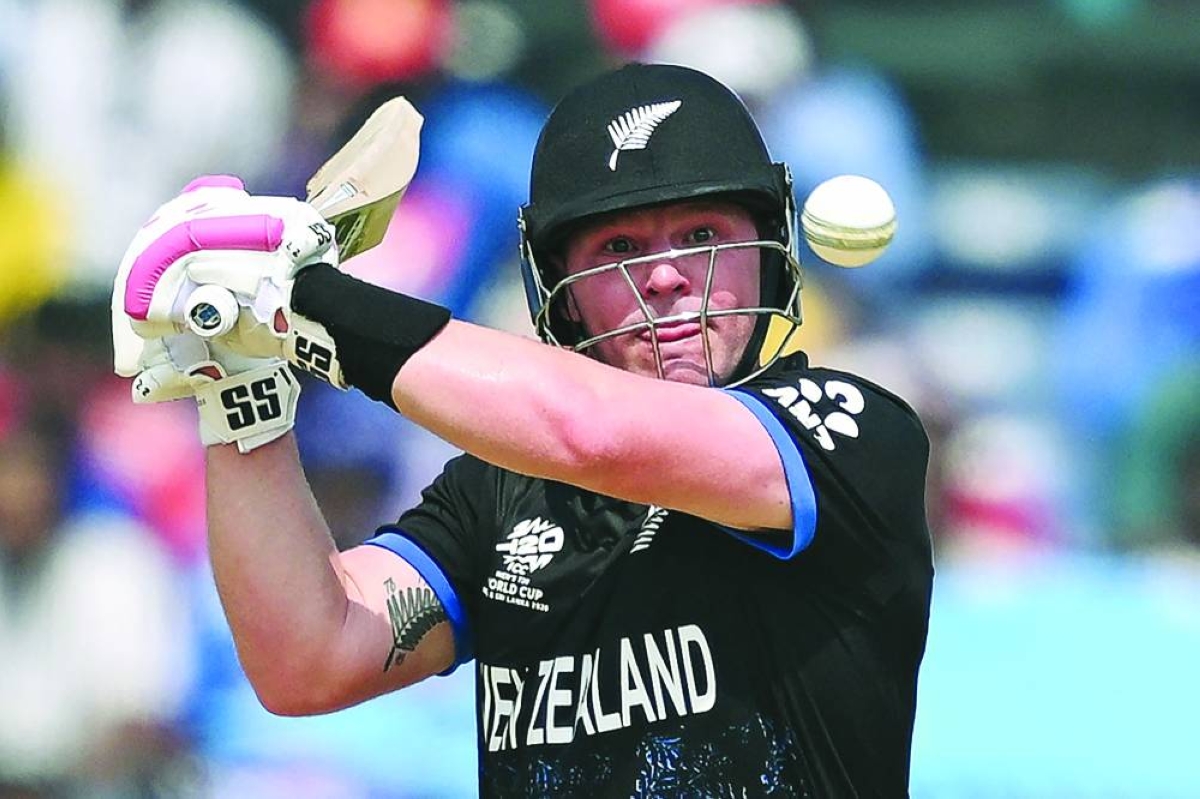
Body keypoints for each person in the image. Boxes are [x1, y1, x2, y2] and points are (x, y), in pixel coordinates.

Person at [111, 63, 933, 797]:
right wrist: (240, 389)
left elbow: (593, 432)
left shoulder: (847, 432)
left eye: (702, 235)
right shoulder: (499, 491)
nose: (665, 275)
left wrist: (303, 301)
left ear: (769, 248)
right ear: (559, 288)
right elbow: (307, 660)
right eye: (619, 245)